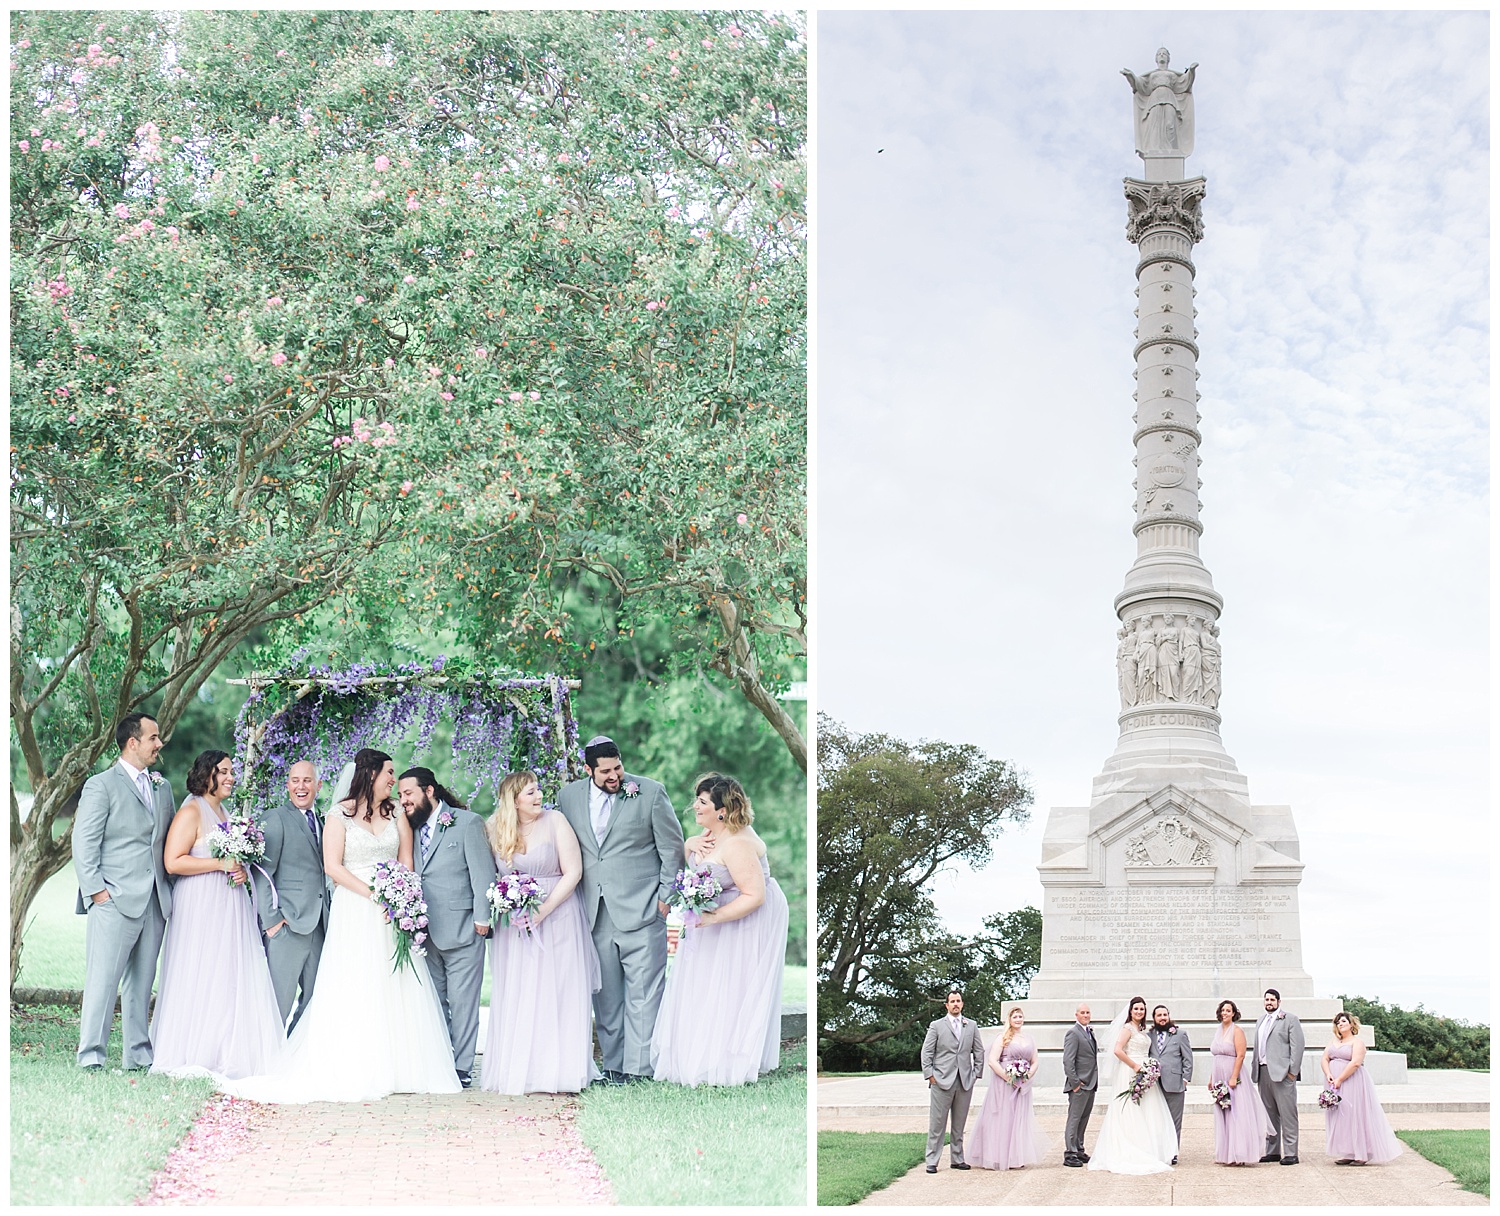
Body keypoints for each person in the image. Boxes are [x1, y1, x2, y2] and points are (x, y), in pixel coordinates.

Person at [222, 749, 460, 1102]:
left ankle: (402, 1067)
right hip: (356, 908)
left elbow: (406, 860)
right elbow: (333, 867)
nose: (394, 780)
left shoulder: (396, 813)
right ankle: (357, 1064)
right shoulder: (338, 815)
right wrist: (377, 894)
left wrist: (402, 897)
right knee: (357, 982)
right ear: (371, 774)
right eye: (389, 773)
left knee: (396, 983)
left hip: (390, 912)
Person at [150, 750, 286, 1079]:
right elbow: (173, 862)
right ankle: (193, 1049)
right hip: (199, 904)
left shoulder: (224, 811)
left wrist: (239, 869)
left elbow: (230, 859)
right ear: (206, 774)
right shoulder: (192, 810)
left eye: (231, 771)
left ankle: (224, 1048)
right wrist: (220, 864)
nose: (230, 777)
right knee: (200, 970)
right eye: (223, 771)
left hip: (228, 905)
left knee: (225, 974)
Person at [557, 735, 684, 1083]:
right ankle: (614, 1067)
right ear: (588, 770)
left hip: (644, 910)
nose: (615, 776)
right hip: (593, 912)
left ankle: (640, 1070)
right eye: (606, 771)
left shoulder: (651, 792)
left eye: (618, 768)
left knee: (645, 993)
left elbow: (672, 849)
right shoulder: (567, 798)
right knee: (607, 996)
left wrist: (665, 897)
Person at [650, 775, 789, 1087]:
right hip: (712, 913)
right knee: (703, 980)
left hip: (745, 916)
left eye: (702, 802)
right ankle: (698, 1052)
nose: (695, 807)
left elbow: (754, 895)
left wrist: (711, 919)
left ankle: (725, 1059)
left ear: (722, 810)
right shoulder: (711, 832)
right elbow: (701, 866)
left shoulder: (738, 843)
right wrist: (688, 844)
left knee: (730, 983)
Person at [481, 769, 600, 1095]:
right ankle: (522, 1069)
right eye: (530, 792)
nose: (538, 796)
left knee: (557, 989)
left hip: (559, 916)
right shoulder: (494, 828)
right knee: (520, 991)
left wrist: (543, 910)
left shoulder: (556, 822)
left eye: (537, 790)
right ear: (514, 801)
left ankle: (559, 1071)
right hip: (515, 926)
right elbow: (488, 876)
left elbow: (573, 872)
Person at [73, 712, 176, 1071]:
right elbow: (83, 843)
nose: (159, 744)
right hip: (114, 899)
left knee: (142, 985)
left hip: (154, 900)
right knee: (103, 982)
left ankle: (138, 1056)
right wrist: (97, 892)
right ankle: (91, 1058)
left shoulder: (162, 787)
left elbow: (165, 842)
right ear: (133, 743)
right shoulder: (101, 785)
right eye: (153, 738)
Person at [399, 766, 496, 1088]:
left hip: (464, 929)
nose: (403, 801)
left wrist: (482, 919)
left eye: (408, 793)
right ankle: (441, 1061)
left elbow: (483, 873)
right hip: (424, 930)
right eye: (400, 795)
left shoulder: (467, 823)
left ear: (429, 791)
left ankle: (462, 1067)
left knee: (464, 1002)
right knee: (434, 1001)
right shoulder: (407, 828)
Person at [249, 760, 330, 1031]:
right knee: (278, 1002)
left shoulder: (323, 821)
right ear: (287, 786)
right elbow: (263, 873)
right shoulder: (276, 818)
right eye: (295, 781)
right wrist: (272, 921)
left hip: (319, 925)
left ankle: (292, 1055)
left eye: (307, 780)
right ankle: (267, 1061)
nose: (301, 786)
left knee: (315, 1001)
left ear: (318, 785)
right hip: (287, 926)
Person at [1087, 996, 1178, 1174]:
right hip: (1130, 1071)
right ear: (1130, 1011)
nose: (1139, 1012)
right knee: (1130, 1110)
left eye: (1142, 1009)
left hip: (1145, 1070)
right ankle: (1130, 1147)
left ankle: (1149, 1148)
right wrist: (1135, 1066)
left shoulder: (1142, 1030)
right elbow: (1117, 1050)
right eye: (1136, 1009)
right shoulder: (1127, 1028)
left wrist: (1148, 1068)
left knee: (1148, 1110)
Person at [967, 1006, 1044, 1170]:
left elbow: (1035, 1060)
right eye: (1015, 1016)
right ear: (1009, 1019)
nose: (1018, 1019)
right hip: (1004, 1085)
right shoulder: (1003, 1038)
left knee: (1018, 1119)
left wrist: (1027, 1075)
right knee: (1002, 1118)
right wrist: (1008, 1077)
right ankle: (996, 1156)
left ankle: (1015, 1156)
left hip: (1022, 1085)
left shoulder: (1029, 1038)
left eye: (1020, 1016)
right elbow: (992, 1061)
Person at [1322, 1011, 1403, 1165]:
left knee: (1356, 1114)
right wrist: (1328, 1074)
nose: (1341, 1024)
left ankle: (1362, 1153)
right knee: (1342, 1117)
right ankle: (1348, 1151)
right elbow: (1325, 1058)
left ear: (1351, 1024)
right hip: (1334, 1083)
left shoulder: (1357, 1043)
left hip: (1352, 1082)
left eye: (1344, 1021)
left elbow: (1355, 1063)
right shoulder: (1333, 1042)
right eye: (1338, 1022)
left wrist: (1340, 1078)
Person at [920, 988, 985, 1173]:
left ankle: (957, 1158)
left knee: (959, 1124)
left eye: (958, 1001)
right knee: (937, 1124)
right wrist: (930, 1075)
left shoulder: (971, 1025)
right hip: (941, 1080)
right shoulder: (937, 1026)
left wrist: (976, 1074)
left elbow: (978, 1051)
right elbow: (927, 1052)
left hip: (964, 1081)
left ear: (962, 1003)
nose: (956, 1004)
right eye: (952, 1001)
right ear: (947, 1005)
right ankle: (932, 1160)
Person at [1208, 998, 1267, 1165]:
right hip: (1218, 1073)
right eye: (1223, 1010)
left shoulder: (1237, 1031)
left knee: (1237, 1113)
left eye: (1228, 1010)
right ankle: (1225, 1153)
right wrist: (1212, 1078)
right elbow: (1216, 1055)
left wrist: (1233, 1077)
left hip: (1233, 1074)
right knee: (1223, 1112)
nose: (1225, 1013)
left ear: (1234, 1013)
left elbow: (1240, 1055)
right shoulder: (1218, 1030)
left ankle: (1239, 1154)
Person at [1253, 988, 1305, 1164]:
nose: (1269, 1002)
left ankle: (1291, 1152)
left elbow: (1297, 1047)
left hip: (1283, 1074)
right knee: (1269, 1114)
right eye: (1266, 1000)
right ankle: (1272, 1150)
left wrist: (1293, 1072)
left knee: (1287, 1113)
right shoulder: (1260, 1021)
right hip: (1263, 1071)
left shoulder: (1290, 1019)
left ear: (1279, 1002)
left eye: (1272, 1000)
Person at [1147, 1004, 1193, 1162]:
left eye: (1164, 1015)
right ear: (1154, 1018)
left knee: (1174, 1121)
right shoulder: (1149, 1035)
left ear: (1169, 1016)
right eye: (1158, 1015)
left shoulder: (1180, 1034)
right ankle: (1158, 1151)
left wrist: (1185, 1079)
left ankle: (1172, 1152)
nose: (1162, 1018)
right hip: (1154, 1084)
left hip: (1175, 1083)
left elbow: (1188, 1058)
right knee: (1156, 1119)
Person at [1061, 1002, 1098, 1167]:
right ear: (1076, 1015)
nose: (1085, 1015)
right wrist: (1075, 1083)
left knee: (1084, 1118)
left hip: (1091, 1083)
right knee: (1074, 1118)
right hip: (1080, 1085)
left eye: (1088, 1012)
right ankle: (1070, 1153)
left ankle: (1079, 1149)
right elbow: (1068, 1061)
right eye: (1082, 1012)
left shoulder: (1089, 1032)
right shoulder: (1073, 1033)